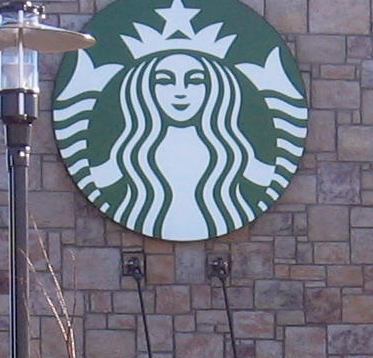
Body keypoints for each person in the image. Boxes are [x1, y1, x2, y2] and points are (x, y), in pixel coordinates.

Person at [89, 48, 275, 241]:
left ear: (213, 88)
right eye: (165, 81)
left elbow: (264, 179)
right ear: (146, 89)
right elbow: (100, 180)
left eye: (194, 81)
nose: (180, 91)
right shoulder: (128, 151)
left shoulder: (235, 151)